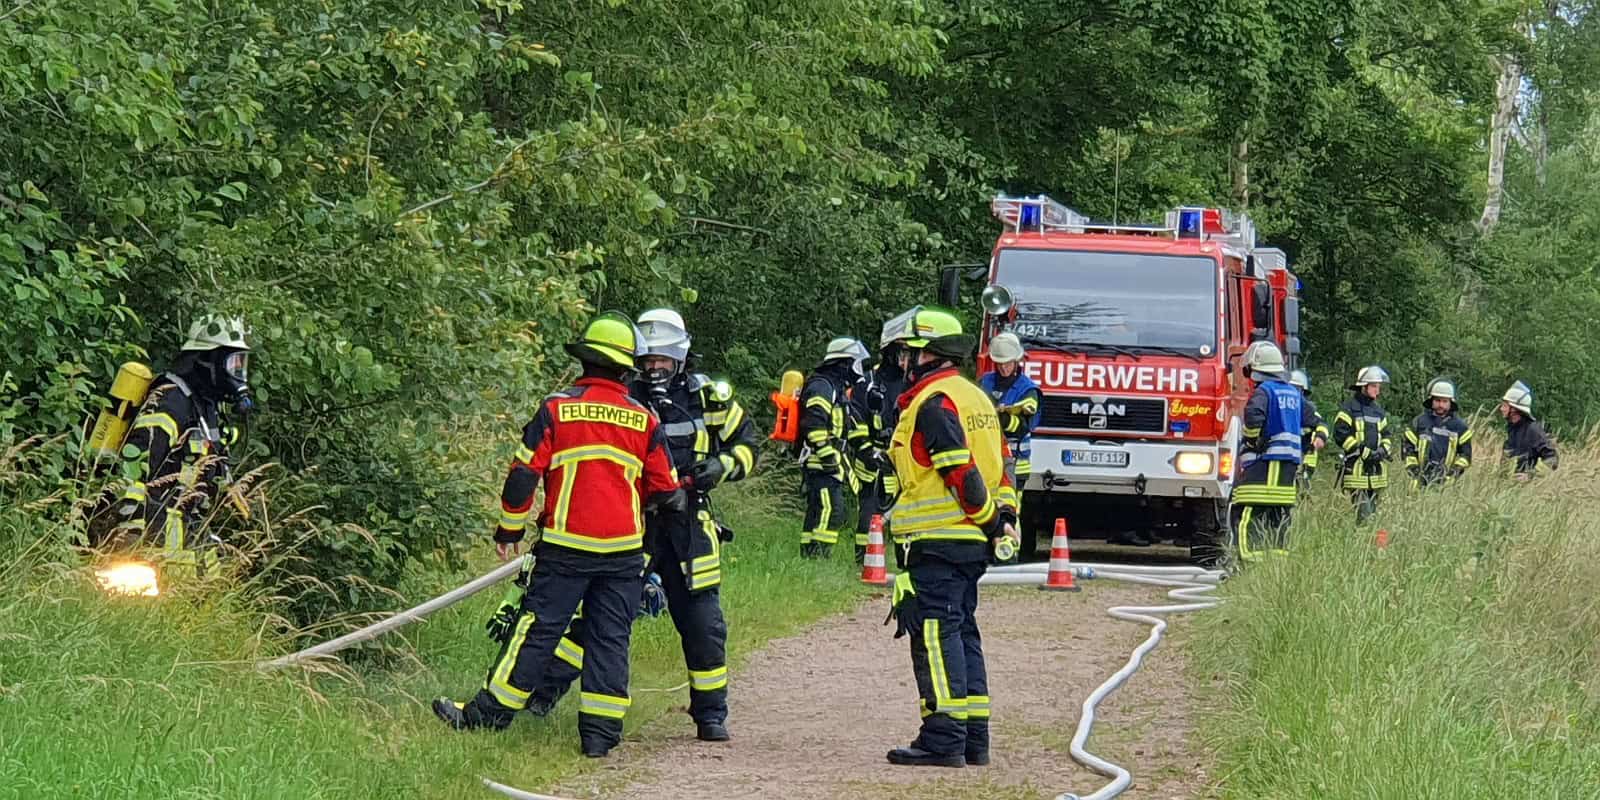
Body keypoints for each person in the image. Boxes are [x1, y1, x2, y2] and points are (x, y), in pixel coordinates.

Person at [432, 312, 684, 760]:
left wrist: (509, 526)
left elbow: (522, 475)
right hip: (624, 553)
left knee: (537, 632)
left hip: (566, 547)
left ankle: (487, 715)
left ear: (584, 361)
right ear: (627, 368)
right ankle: (601, 737)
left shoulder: (556, 409)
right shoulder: (643, 419)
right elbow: (665, 489)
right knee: (610, 638)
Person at [523, 308, 759, 742]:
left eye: (662, 361)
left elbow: (748, 443)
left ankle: (711, 713)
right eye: (647, 360)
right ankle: (543, 693)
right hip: (631, 523)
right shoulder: (621, 397)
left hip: (689, 526)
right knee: (603, 618)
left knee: (703, 623)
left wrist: (722, 466)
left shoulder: (709, 398)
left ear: (680, 358)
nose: (654, 368)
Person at [883, 307, 1016, 769]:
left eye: (907, 354)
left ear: (926, 355)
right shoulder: (976, 399)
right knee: (963, 632)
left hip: (939, 540)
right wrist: (1006, 517)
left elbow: (961, 472)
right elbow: (1004, 465)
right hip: (967, 544)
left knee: (937, 634)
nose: (901, 363)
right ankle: (974, 737)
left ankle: (943, 738)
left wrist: (990, 521)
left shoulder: (934, 403)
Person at [113, 315, 254, 573]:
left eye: (240, 365)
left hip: (191, 541)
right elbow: (133, 468)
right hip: (153, 544)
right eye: (232, 363)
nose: (237, 374)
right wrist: (128, 531)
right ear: (207, 360)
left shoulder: (207, 407)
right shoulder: (170, 401)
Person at [1229, 342, 1312, 561]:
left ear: (1254, 369)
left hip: (1265, 462)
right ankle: (1275, 565)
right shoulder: (1294, 394)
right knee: (1278, 515)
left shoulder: (1264, 392)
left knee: (1247, 511)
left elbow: (1254, 417)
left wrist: (1252, 439)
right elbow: (1313, 421)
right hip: (1289, 467)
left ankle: (1246, 563)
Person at [797, 336, 869, 558]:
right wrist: (828, 457)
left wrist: (868, 449)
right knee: (832, 510)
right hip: (821, 461)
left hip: (828, 460)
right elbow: (814, 424)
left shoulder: (835, 388)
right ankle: (817, 557)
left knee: (818, 510)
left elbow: (849, 423)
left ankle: (808, 557)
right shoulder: (822, 386)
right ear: (844, 363)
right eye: (855, 363)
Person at [978, 332, 1040, 527]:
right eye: (999, 363)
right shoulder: (985, 382)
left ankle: (1010, 551)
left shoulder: (1028, 390)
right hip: (986, 457)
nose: (1003, 367)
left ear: (1016, 360)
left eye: (1007, 363)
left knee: (1011, 510)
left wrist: (1005, 420)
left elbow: (1024, 427)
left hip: (1015, 462)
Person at [1333, 366, 1394, 521]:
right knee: (1364, 515)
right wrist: (1362, 451)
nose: (1377, 391)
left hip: (1376, 474)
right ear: (1363, 386)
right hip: (1356, 471)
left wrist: (1382, 451)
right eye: (1374, 386)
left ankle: (1377, 545)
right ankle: (1363, 540)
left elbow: (1387, 435)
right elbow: (1340, 434)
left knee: (1375, 517)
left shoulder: (1378, 411)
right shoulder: (1348, 408)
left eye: (1378, 387)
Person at [1403, 378, 1473, 488]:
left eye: (1445, 401)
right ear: (1431, 401)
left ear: (1451, 403)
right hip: (1418, 482)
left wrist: (1452, 474)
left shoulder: (1460, 427)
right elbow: (1407, 448)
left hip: (1446, 485)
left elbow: (1465, 456)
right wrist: (1414, 471)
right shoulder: (1419, 422)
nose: (1441, 405)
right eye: (1437, 400)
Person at [1499, 381, 1558, 480]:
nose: (1501, 409)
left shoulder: (1533, 430)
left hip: (1527, 491)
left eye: (1505, 405)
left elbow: (1552, 459)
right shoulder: (1511, 428)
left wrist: (1531, 476)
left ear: (1514, 409)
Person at [1288, 369, 1328, 489]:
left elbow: (1322, 424)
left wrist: (1320, 437)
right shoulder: (1282, 406)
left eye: (1297, 389)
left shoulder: (1307, 409)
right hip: (1286, 456)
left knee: (1301, 489)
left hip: (1305, 459)